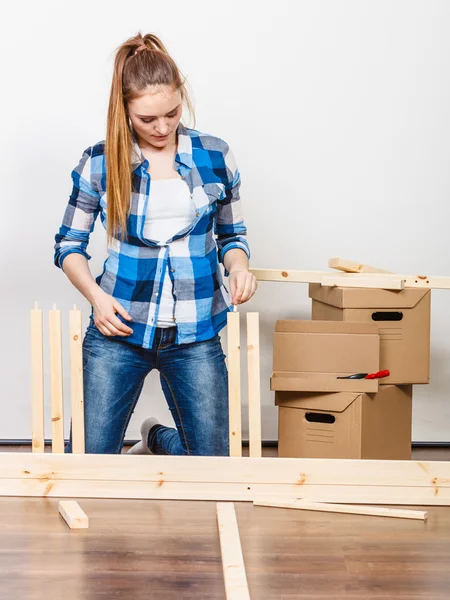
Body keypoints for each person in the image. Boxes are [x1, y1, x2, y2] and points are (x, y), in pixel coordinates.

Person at [54, 33, 257, 456]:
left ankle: (157, 439)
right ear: (124, 110)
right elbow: (68, 245)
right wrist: (96, 298)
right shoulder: (99, 162)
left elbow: (232, 237)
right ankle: (150, 441)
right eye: (148, 119)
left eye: (172, 113)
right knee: (87, 462)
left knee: (211, 468)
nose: (163, 127)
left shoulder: (215, 155)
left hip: (195, 331)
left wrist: (238, 267)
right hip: (120, 328)